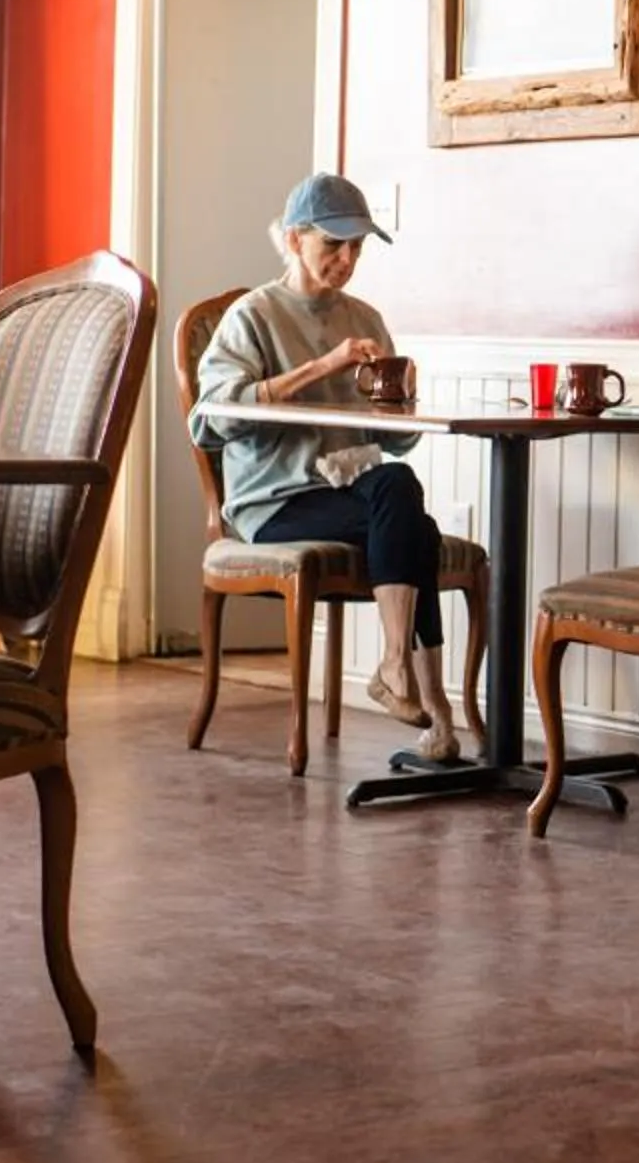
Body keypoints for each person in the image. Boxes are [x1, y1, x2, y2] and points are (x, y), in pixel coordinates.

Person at [194, 174, 461, 761]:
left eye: (357, 248)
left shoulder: (365, 319)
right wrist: (321, 367)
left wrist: (400, 403)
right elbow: (213, 419)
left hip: (347, 491)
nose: (347, 260)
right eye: (333, 245)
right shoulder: (252, 316)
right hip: (273, 502)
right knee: (415, 524)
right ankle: (432, 710)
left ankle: (399, 672)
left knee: (400, 489)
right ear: (294, 241)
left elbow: (394, 444)